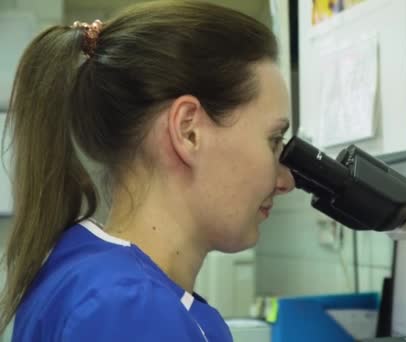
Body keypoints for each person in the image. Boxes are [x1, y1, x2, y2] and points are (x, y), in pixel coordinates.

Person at [0, 0, 295, 340]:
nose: (285, 180)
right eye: (273, 141)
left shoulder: (83, 267)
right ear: (188, 131)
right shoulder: (129, 312)